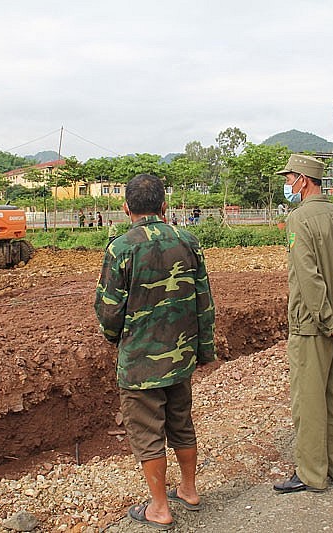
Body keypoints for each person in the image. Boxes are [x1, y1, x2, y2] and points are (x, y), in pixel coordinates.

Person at [94, 173, 216, 530]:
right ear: (164, 206)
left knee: (148, 434)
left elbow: (109, 310)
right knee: (181, 421)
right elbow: (204, 301)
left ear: (125, 208)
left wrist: (115, 339)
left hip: (140, 363)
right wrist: (203, 350)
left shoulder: (121, 248)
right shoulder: (188, 241)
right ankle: (189, 490)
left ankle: (159, 508)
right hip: (180, 356)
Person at [272, 154, 333, 493]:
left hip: (312, 326)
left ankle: (312, 473)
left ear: (303, 180)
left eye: (289, 179)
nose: (288, 185)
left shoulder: (299, 219)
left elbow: (308, 278)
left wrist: (328, 322)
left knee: (309, 400)